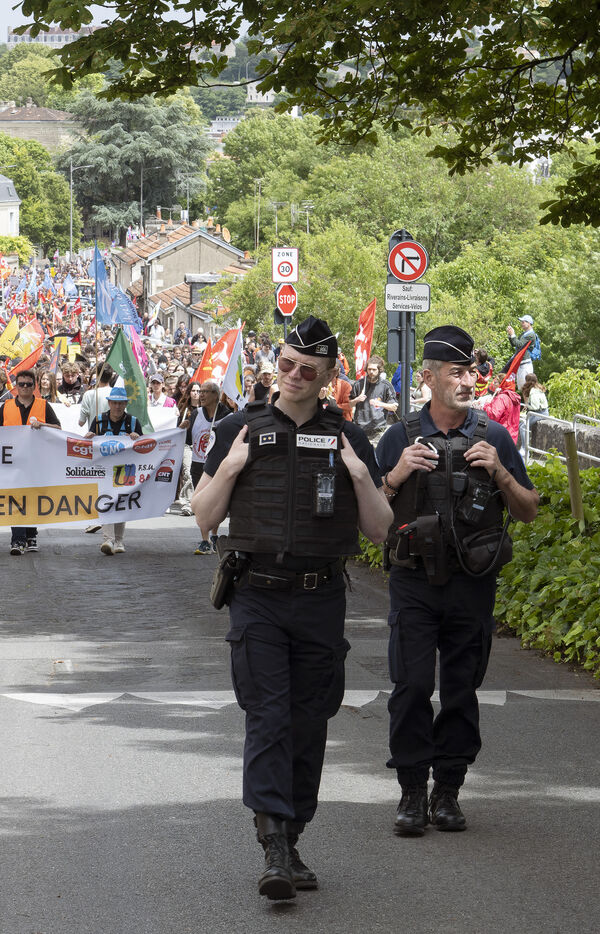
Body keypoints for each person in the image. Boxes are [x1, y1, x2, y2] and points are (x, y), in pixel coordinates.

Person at [191, 316, 392, 901]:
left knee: (309, 721)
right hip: (257, 594)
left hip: (320, 597)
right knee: (269, 715)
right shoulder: (238, 428)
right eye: (287, 363)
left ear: (328, 376)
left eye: (309, 369)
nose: (295, 375)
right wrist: (231, 467)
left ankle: (293, 835)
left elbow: (380, 530)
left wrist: (361, 477)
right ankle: (274, 844)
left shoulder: (347, 436)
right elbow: (204, 516)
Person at [374, 325, 540, 836]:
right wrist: (396, 475)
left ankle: (447, 790)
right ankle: (411, 791)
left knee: (461, 689)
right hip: (414, 583)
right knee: (412, 686)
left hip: (472, 584)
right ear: (428, 378)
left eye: (471, 372)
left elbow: (529, 510)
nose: (469, 381)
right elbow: (369, 520)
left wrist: (501, 472)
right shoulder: (400, 436)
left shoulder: (494, 436)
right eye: (456, 373)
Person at [0, 368, 60, 555]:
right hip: (13, 461)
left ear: (34, 386)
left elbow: (58, 428)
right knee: (16, 499)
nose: (24, 387)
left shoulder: (43, 405)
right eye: (21, 384)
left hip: (37, 461)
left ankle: (31, 535)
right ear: (16, 386)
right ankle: (18, 540)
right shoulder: (6, 406)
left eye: (28, 384)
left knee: (32, 499)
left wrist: (43, 425)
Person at [87, 386, 144, 555]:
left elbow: (143, 447)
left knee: (121, 503)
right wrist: (88, 437)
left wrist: (137, 438)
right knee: (105, 501)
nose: (117, 406)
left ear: (125, 404)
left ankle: (119, 540)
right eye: (114, 403)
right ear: (109, 403)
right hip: (104, 469)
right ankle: (108, 539)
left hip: (126, 468)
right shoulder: (98, 421)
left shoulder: (133, 422)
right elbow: (89, 444)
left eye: (121, 403)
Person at [186, 379, 228, 554]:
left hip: (218, 465)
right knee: (201, 503)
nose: (200, 395)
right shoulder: (196, 414)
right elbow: (188, 439)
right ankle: (205, 540)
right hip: (198, 464)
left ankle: (214, 534)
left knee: (216, 502)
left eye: (205, 392)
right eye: (200, 391)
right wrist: (183, 428)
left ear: (216, 395)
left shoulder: (227, 415)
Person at [351, 359, 398, 444]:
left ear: (379, 370)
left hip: (378, 429)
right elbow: (348, 405)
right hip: (360, 428)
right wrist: (356, 399)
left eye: (374, 369)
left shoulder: (386, 385)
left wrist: (380, 404)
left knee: (376, 452)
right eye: (369, 369)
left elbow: (394, 407)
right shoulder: (358, 384)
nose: (371, 372)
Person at [506, 314, 541, 387]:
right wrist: (510, 334)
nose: (521, 324)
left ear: (529, 323)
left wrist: (513, 334)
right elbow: (515, 344)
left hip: (525, 364)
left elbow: (520, 345)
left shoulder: (531, 335)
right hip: (520, 363)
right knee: (521, 387)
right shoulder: (524, 334)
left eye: (523, 322)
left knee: (526, 387)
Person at [78, 364, 115, 428]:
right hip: (114, 433)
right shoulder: (117, 393)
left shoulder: (88, 395)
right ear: (111, 376)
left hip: (95, 433)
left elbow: (81, 422)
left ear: (97, 375)